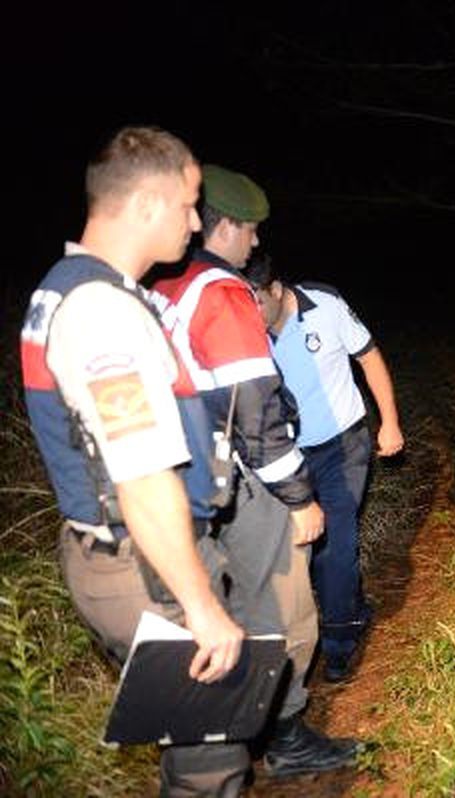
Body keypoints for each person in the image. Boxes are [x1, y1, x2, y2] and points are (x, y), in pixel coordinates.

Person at [20, 126, 249, 794]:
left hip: (126, 555)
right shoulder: (103, 313)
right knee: (211, 755)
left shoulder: (69, 289)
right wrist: (200, 605)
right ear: (148, 206)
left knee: (193, 742)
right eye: (188, 204)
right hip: (143, 562)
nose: (195, 221)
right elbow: (143, 476)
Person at [150, 164, 358, 777]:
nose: (257, 244)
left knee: (206, 618)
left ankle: (206, 755)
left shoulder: (160, 288)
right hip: (238, 481)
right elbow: (257, 414)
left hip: (169, 489)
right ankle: (284, 737)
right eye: (253, 230)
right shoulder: (223, 295)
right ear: (228, 226)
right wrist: (300, 498)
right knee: (286, 609)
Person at [244, 254, 404, 681]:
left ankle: (338, 642)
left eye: (256, 301)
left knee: (335, 540)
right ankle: (351, 607)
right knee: (307, 545)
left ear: (275, 289)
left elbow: (368, 356)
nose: (249, 313)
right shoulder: (242, 330)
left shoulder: (325, 305)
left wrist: (389, 421)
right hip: (287, 458)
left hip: (343, 444)